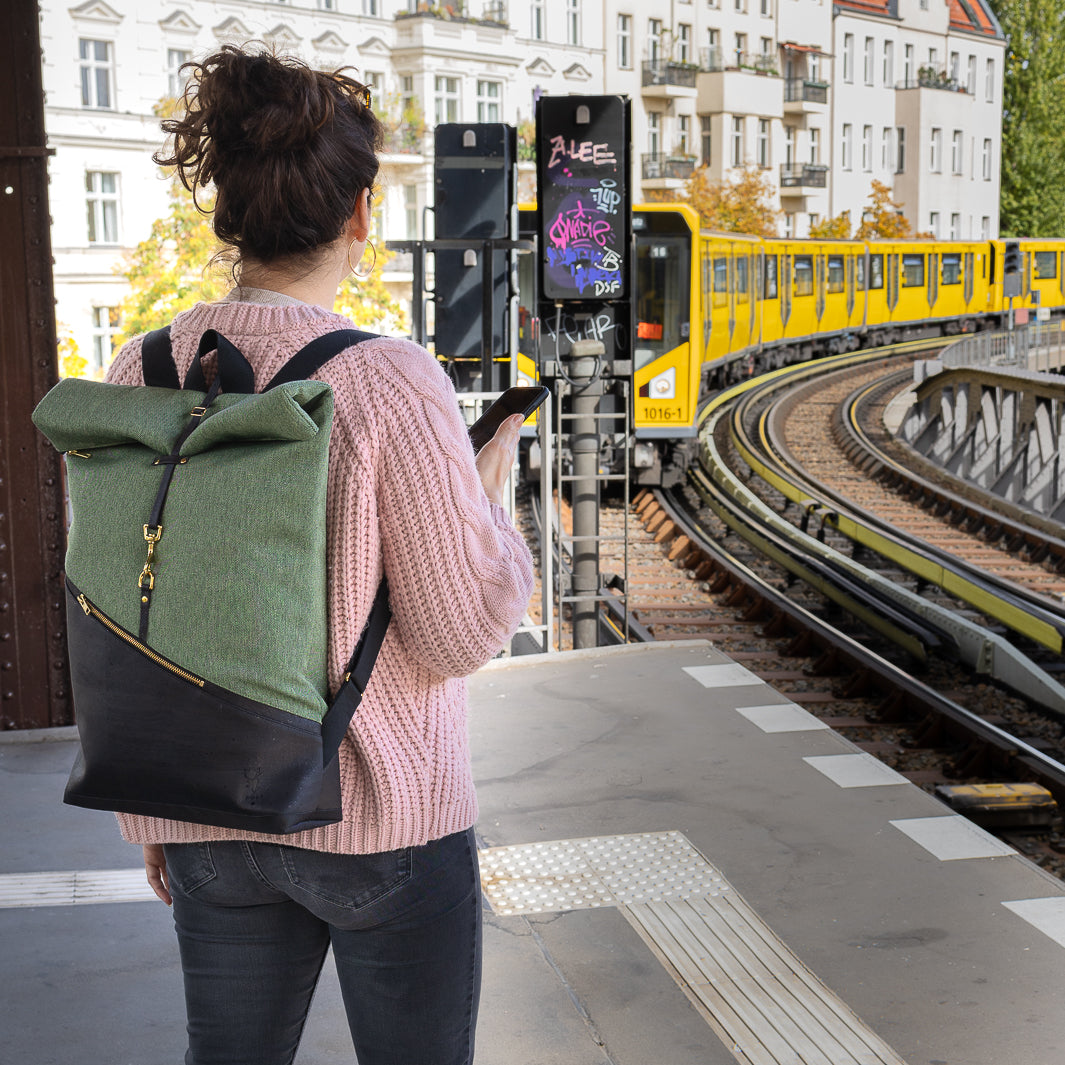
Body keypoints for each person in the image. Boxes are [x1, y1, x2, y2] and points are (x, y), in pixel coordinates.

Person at [104, 46, 534, 1065]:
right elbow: (458, 632)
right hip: (384, 818)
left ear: (229, 213)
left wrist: (152, 815)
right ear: (359, 214)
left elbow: (120, 611)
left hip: (206, 809)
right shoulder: (391, 382)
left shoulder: (140, 369)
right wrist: (492, 503)